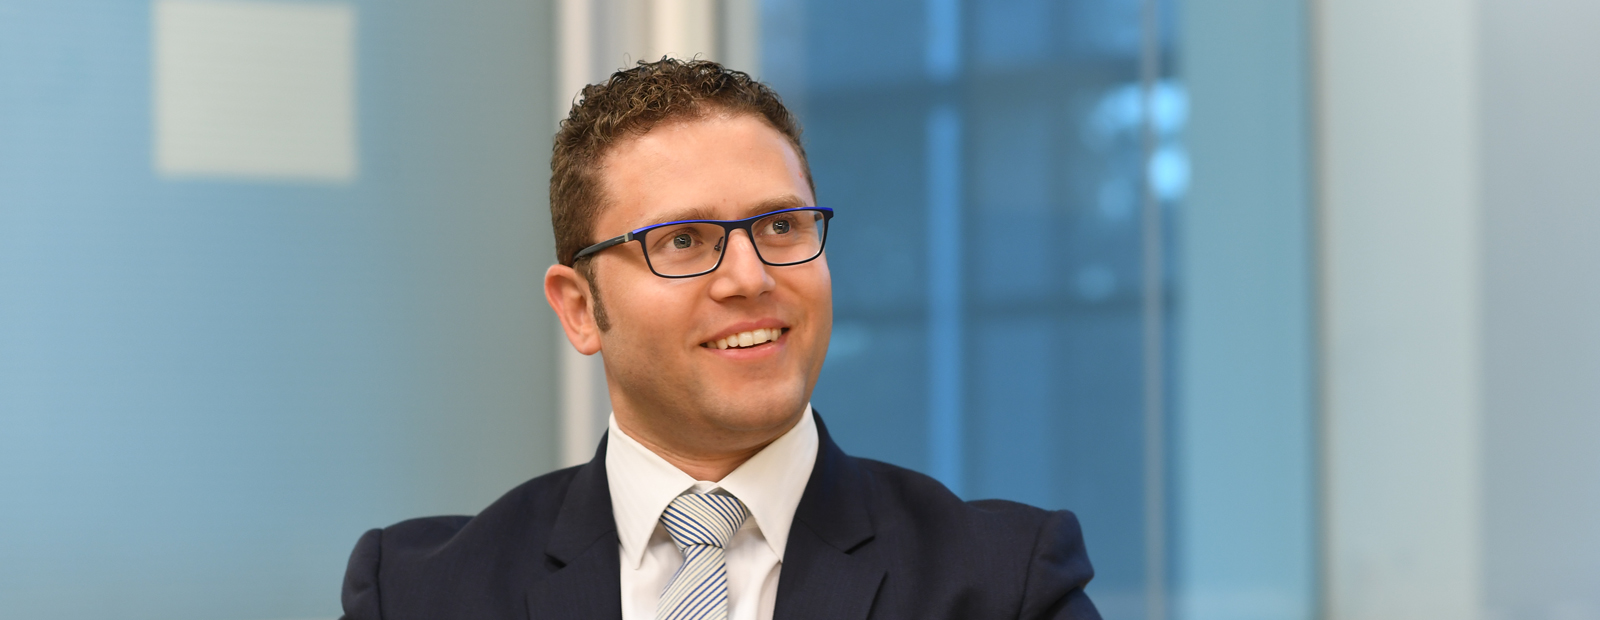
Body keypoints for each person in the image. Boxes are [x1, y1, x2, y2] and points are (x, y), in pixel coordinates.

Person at [338, 58, 1100, 620]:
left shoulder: (1005, 586)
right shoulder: (417, 595)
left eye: (780, 226)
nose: (749, 276)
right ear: (579, 308)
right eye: (683, 241)